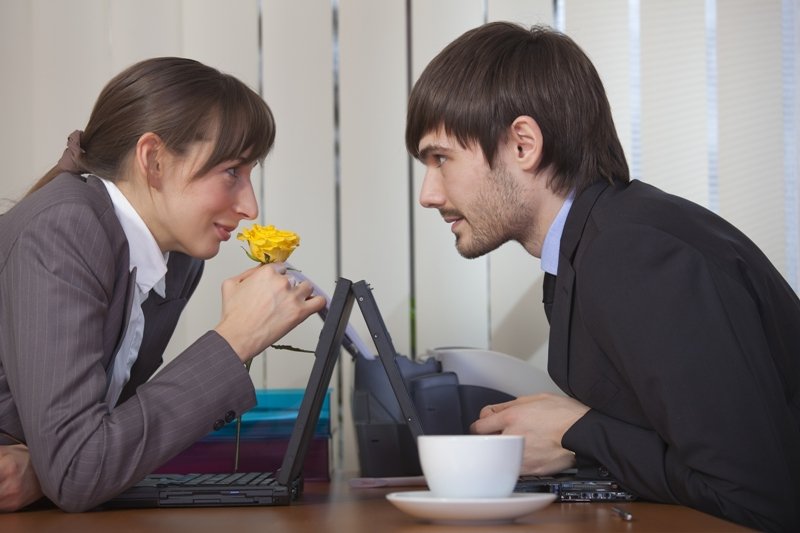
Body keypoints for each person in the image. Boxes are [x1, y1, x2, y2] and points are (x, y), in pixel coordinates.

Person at [406, 21, 800, 532]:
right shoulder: (590, 245)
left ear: (523, 145)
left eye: (441, 159)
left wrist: (577, 431)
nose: (428, 194)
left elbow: (756, 496)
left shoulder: (633, 253)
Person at [0, 57, 326, 512]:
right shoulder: (64, 228)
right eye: (232, 171)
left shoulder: (178, 257)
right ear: (153, 159)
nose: (250, 206)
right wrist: (236, 338)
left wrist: (44, 467)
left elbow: (97, 448)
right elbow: (79, 471)